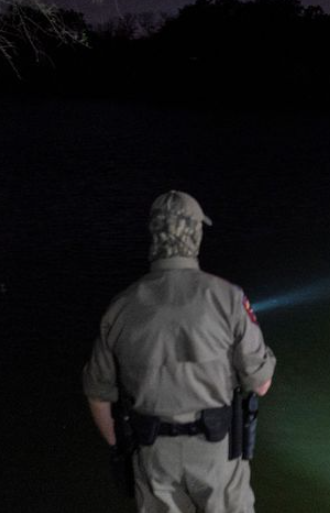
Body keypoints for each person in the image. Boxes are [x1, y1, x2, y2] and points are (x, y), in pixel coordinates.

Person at [82, 190, 276, 513]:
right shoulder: (228, 298)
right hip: (217, 457)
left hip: (154, 455)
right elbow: (261, 384)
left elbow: (98, 395)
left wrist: (122, 446)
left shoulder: (121, 307)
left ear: (153, 235)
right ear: (196, 234)